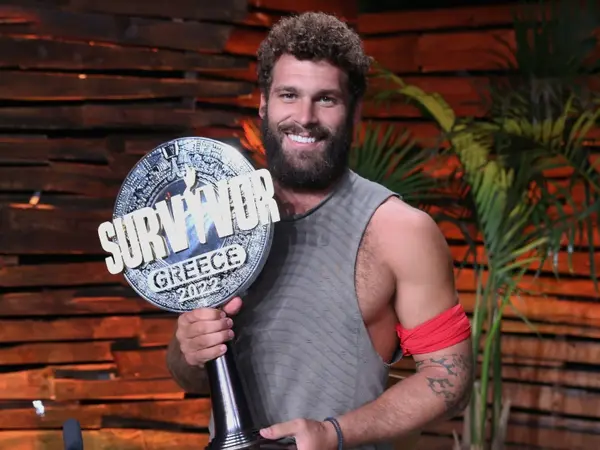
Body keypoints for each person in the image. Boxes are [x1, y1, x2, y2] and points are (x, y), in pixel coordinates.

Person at [166, 11, 473, 450]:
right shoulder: (219, 218)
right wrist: (190, 348)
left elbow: (450, 378)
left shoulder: (400, 230)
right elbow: (187, 374)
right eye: (288, 95)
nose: (304, 117)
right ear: (264, 103)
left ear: (354, 111)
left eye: (326, 99)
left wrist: (334, 433)